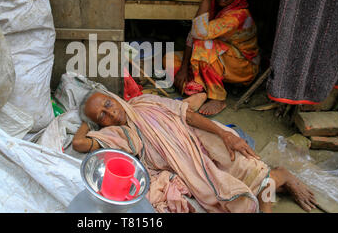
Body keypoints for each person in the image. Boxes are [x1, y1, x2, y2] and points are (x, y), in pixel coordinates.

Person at [72, 90, 317, 213]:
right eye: (102, 116)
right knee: (222, 193)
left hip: (201, 138)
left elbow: (187, 115)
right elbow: (79, 144)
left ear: (115, 98)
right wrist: (89, 119)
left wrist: (226, 135)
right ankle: (277, 180)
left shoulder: (146, 100)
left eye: (108, 104)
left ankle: (279, 178)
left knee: (248, 170)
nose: (111, 113)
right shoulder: (118, 134)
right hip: (185, 165)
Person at [164, 0, 259, 116]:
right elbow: (192, 34)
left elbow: (198, 32)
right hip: (220, 57)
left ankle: (217, 97)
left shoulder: (238, 15)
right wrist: (183, 68)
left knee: (204, 45)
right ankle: (199, 90)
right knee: (170, 59)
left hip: (242, 66)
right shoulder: (218, 8)